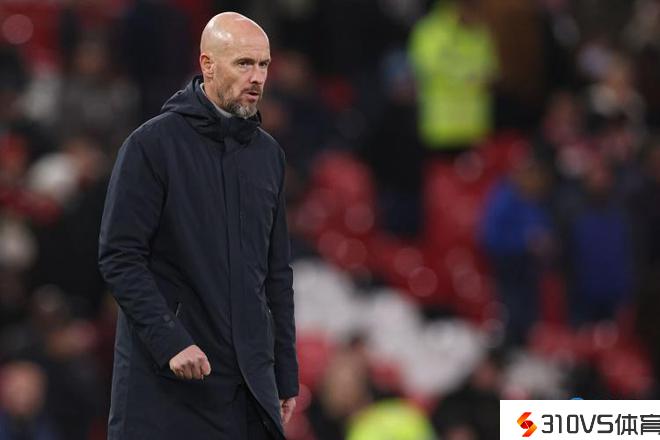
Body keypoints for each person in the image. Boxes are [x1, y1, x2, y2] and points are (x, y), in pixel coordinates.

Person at [98, 12, 298, 440]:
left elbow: (277, 274)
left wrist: (284, 373)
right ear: (207, 64)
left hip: (247, 389)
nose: (257, 77)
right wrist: (170, 340)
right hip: (167, 387)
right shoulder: (151, 145)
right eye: (244, 63)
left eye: (263, 64)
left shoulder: (269, 157)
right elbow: (120, 257)